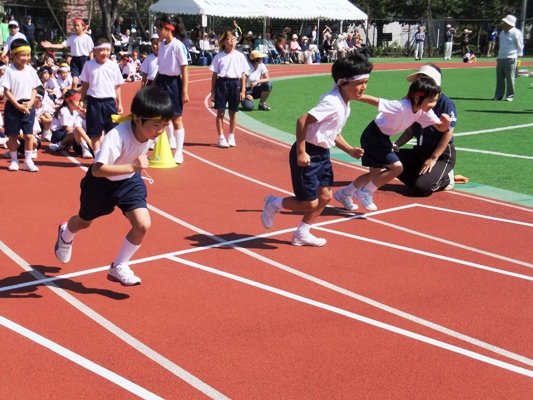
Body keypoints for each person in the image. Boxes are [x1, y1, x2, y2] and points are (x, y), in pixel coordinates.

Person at [53, 86, 174, 286]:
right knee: (84, 222)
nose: (161, 131)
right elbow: (97, 170)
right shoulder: (116, 137)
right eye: (156, 125)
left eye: (164, 125)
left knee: (143, 224)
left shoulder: (150, 133)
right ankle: (66, 233)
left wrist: (132, 169)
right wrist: (133, 165)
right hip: (101, 183)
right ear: (138, 120)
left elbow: (138, 154)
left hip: (128, 181)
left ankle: (119, 266)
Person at [261, 53, 370, 247]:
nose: (364, 87)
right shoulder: (333, 103)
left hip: (322, 154)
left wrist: (349, 151)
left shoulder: (345, 104)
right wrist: (302, 152)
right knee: (309, 203)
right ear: (343, 82)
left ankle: (302, 233)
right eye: (360, 83)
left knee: (325, 197)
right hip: (309, 153)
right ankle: (274, 203)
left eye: (366, 82)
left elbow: (332, 133)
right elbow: (302, 121)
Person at [333, 77, 451, 212]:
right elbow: (376, 101)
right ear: (417, 97)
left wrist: (445, 123)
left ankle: (344, 193)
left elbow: (441, 128)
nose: (433, 104)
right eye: (430, 100)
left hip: (382, 137)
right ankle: (365, 192)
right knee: (397, 168)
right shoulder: (401, 106)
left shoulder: (424, 112)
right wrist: (352, 96)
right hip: (374, 135)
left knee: (373, 174)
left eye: (435, 100)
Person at [395, 64, 457, 196]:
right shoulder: (414, 103)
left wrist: (433, 158)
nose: (420, 81)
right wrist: (395, 145)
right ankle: (426, 179)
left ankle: (445, 179)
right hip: (420, 151)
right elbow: (409, 132)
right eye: (419, 78)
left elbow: (448, 131)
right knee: (387, 157)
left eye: (424, 78)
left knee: (421, 189)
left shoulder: (444, 102)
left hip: (440, 155)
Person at [2, 38, 42, 172]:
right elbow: (7, 91)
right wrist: (17, 106)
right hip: (14, 106)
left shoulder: (31, 70)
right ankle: (14, 160)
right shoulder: (9, 71)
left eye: (28, 55)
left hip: (28, 106)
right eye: (22, 55)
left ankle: (28, 161)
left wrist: (31, 103)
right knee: (12, 135)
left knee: (29, 135)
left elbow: (35, 88)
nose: (26, 58)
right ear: (14, 55)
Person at [79, 37, 124, 153]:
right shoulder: (88, 65)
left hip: (110, 102)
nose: (105, 53)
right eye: (102, 50)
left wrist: (120, 103)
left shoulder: (113, 65)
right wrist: (82, 100)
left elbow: (117, 86)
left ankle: (111, 155)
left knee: (113, 131)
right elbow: (85, 84)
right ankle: (97, 157)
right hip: (94, 102)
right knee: (95, 133)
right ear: (94, 51)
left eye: (107, 50)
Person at [155, 14, 189, 164]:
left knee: (176, 118)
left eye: (159, 28)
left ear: (168, 29)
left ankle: (179, 152)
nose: (157, 31)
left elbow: (184, 69)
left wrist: (184, 91)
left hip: (174, 83)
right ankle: (169, 143)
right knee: (162, 116)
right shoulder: (162, 45)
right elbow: (160, 67)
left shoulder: (177, 45)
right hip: (162, 81)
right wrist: (153, 84)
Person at [209, 28, 249, 148]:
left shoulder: (240, 56)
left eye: (233, 39)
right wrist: (213, 90)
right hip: (222, 83)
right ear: (223, 42)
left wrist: (243, 90)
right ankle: (221, 137)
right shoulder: (219, 57)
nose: (231, 41)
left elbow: (243, 74)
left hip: (234, 84)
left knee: (233, 112)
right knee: (220, 112)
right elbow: (214, 74)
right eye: (228, 39)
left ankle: (231, 136)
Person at [40, 18, 94, 90]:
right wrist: (50, 45)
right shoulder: (72, 38)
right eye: (75, 26)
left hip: (84, 59)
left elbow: (91, 51)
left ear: (83, 26)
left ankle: (84, 96)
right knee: (74, 82)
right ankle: (74, 97)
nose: (76, 27)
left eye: (78, 26)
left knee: (85, 81)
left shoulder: (87, 38)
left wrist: (91, 62)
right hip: (75, 60)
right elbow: (62, 45)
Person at [493, 14, 523, 102]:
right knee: (499, 78)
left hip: (511, 58)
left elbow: (520, 46)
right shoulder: (502, 33)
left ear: (509, 24)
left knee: (510, 78)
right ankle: (498, 95)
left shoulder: (516, 33)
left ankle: (510, 96)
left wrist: (518, 57)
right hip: (501, 58)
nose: (503, 24)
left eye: (504, 22)